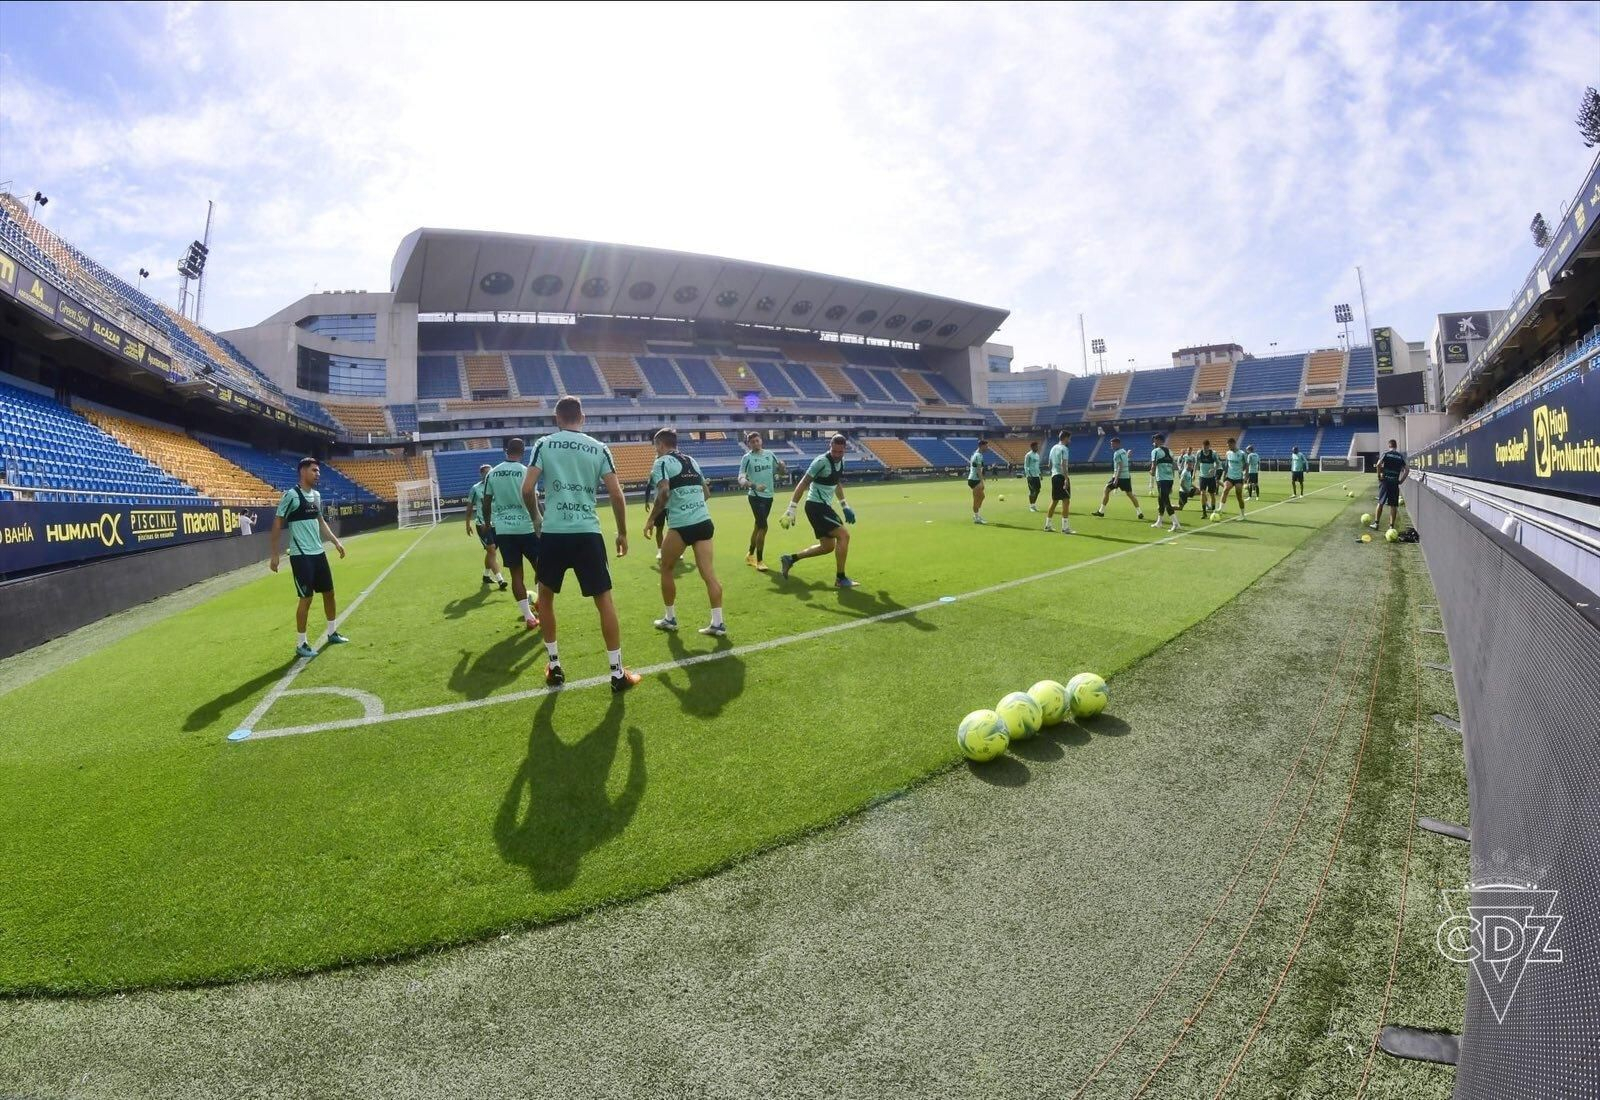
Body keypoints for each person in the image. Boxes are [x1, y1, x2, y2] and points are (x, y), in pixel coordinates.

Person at [523, 396, 641, 692]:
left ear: (557, 418)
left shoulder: (544, 444)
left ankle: (554, 666)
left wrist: (537, 519)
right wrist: (622, 532)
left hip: (553, 532)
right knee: (604, 601)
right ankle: (617, 673)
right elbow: (616, 494)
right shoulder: (599, 448)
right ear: (582, 417)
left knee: (545, 598)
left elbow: (527, 489)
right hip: (587, 532)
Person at [647, 428, 726, 637]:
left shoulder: (661, 462)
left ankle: (669, 618)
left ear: (661, 444)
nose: (655, 450)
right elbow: (706, 493)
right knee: (709, 574)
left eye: (656, 446)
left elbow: (664, 492)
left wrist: (651, 519)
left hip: (681, 525)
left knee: (666, 568)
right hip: (704, 522)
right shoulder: (692, 461)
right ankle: (718, 623)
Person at [268, 457, 349, 659]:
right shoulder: (291, 495)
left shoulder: (317, 495)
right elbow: (277, 523)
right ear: (303, 471)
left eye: (318, 471)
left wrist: (336, 542)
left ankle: (332, 632)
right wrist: (275, 554)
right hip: (301, 555)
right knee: (306, 598)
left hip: (318, 553)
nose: (317, 474)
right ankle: (301, 643)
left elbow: (320, 521)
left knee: (329, 593)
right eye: (314, 470)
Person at [778, 433, 857, 587]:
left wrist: (844, 505)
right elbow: (803, 483)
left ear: (845, 450)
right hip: (816, 506)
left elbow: (836, 483)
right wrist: (791, 508)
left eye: (840, 452)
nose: (837, 455)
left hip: (823, 506)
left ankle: (790, 559)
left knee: (827, 547)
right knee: (844, 535)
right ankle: (840, 578)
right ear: (830, 447)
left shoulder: (841, 462)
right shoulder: (821, 462)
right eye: (834, 451)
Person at [488, 438, 540, 631]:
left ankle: (529, 617)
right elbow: (533, 498)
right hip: (526, 527)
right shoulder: (526, 471)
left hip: (504, 530)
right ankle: (542, 605)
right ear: (523, 451)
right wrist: (539, 519)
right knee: (541, 567)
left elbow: (486, 501)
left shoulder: (493, 473)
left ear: (505, 450)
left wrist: (487, 523)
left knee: (516, 575)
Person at [738, 431, 778, 572]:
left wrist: (782, 468)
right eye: (752, 442)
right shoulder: (747, 458)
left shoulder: (770, 454)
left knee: (758, 527)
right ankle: (759, 561)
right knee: (763, 527)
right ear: (749, 444)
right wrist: (754, 486)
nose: (755, 443)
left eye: (757, 440)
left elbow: (778, 472)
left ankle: (750, 554)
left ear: (761, 440)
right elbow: (741, 479)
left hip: (769, 496)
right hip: (755, 496)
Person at [465, 463, 507, 590]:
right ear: (482, 474)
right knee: (492, 550)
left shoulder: (497, 486)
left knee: (490, 552)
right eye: (487, 472)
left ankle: (486, 575)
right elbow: (469, 507)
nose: (490, 474)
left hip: (497, 524)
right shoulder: (475, 488)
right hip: (482, 525)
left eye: (491, 472)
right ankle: (500, 580)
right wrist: (467, 524)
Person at [1093, 435, 1145, 519]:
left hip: (1119, 477)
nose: (1112, 446)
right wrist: (1128, 455)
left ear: (1118, 444)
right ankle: (1139, 512)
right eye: (1111, 444)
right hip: (1126, 477)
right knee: (1130, 494)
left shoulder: (1116, 453)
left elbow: (1120, 466)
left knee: (1106, 490)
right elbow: (1125, 461)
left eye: (1113, 444)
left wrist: (1116, 479)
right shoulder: (1123, 451)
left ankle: (1101, 511)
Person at [1371, 438, 1409, 531]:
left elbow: (1378, 464)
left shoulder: (1386, 454)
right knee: (1393, 505)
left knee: (1381, 502)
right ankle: (1391, 527)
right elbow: (1407, 470)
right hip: (1394, 482)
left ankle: (1376, 524)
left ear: (1389, 446)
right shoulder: (1400, 456)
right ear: (1396, 446)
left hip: (1385, 481)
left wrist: (1379, 476)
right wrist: (1401, 481)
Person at [1044, 429, 1073, 534]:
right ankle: (1065, 527)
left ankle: (1048, 525)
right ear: (1065, 438)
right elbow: (1063, 464)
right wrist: (1066, 479)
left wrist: (1054, 470)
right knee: (1066, 500)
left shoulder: (1053, 448)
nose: (1070, 440)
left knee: (1054, 501)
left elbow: (1049, 465)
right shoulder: (1064, 449)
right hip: (1061, 476)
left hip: (1054, 476)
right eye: (1069, 438)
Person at [1150, 433, 1179, 532]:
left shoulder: (1155, 451)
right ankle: (1159, 522)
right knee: (1160, 500)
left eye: (1155, 440)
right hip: (1170, 479)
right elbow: (1174, 466)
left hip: (1161, 479)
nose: (1153, 442)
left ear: (1158, 440)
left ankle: (1175, 523)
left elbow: (1153, 466)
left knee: (1166, 501)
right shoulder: (1170, 451)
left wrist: (1152, 472)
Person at [1220, 437, 1248, 518]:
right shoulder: (1228, 453)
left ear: (1234, 444)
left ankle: (1242, 514)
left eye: (1229, 445)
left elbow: (1246, 465)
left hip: (1238, 478)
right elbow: (1226, 465)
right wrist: (1224, 475)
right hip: (1230, 477)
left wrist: (1245, 476)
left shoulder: (1242, 453)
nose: (1228, 447)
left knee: (1239, 496)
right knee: (1225, 490)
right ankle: (1220, 509)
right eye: (1228, 446)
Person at [1196, 439, 1219, 518]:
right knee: (1202, 493)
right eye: (1204, 447)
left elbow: (1218, 463)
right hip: (1202, 477)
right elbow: (1196, 463)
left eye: (1206, 447)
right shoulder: (1199, 453)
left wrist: (1213, 469)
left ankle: (1213, 511)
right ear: (1202, 446)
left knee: (1212, 494)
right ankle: (1204, 512)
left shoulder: (1213, 453)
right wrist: (1194, 474)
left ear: (1209, 446)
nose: (1205, 449)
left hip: (1211, 477)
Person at [967, 439, 989, 524]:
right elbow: (978, 470)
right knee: (976, 499)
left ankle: (976, 514)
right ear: (981, 446)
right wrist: (982, 482)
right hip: (975, 480)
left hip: (973, 479)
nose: (987, 448)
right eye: (986, 446)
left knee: (982, 497)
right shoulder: (979, 455)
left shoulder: (975, 454)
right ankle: (976, 517)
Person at [1022, 441, 1042, 512]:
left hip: (1036, 476)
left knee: (1038, 490)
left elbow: (1037, 466)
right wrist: (1028, 475)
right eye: (1036, 446)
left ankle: (1033, 505)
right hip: (1031, 476)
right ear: (1032, 447)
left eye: (1037, 446)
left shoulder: (1037, 455)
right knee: (1032, 491)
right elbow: (1026, 466)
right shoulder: (1028, 455)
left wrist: (1040, 474)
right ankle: (1031, 506)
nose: (1037, 448)